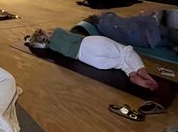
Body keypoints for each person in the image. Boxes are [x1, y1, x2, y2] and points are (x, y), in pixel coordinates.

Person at [26, 28, 159, 90]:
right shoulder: (57, 31)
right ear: (45, 33)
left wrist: (29, 41)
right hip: (89, 44)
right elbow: (74, 37)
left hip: (87, 59)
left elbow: (39, 46)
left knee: (118, 63)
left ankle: (131, 73)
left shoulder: (52, 48)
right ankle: (142, 71)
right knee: (125, 51)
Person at [85, 12, 178, 62]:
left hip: (144, 43)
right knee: (168, 32)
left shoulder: (102, 29)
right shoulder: (107, 17)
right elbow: (129, 21)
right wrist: (147, 16)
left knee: (166, 42)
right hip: (141, 33)